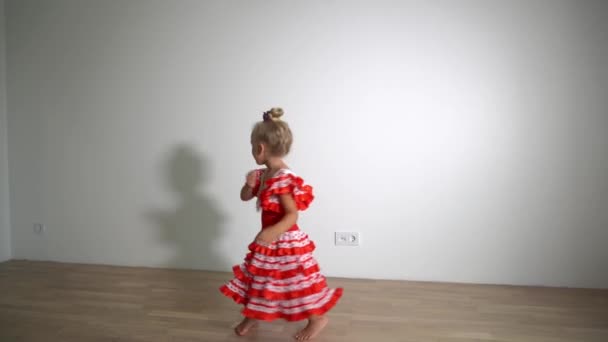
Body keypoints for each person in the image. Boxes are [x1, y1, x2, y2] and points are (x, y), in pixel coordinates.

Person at [220, 107, 343, 340]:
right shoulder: (263, 174)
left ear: (260, 148)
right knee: (261, 279)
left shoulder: (284, 177)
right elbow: (245, 197)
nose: (251, 151)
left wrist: (271, 233)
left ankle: (317, 319)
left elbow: (292, 215)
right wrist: (248, 185)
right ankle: (252, 315)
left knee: (295, 283)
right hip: (270, 239)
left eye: (251, 146)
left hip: (285, 241)